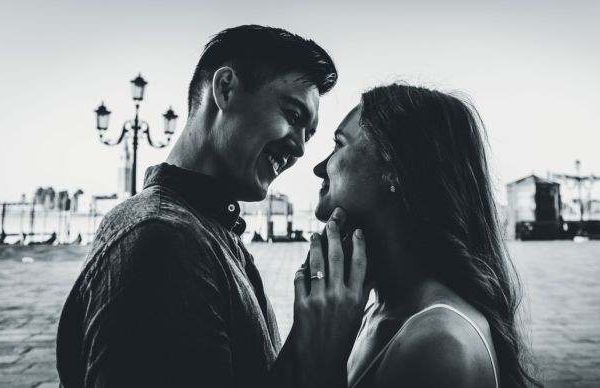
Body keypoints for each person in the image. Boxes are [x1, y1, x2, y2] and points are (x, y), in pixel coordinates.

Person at [56, 25, 369, 388]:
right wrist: (322, 361)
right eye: (292, 115)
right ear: (225, 89)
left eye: (308, 135)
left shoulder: (204, 232)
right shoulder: (164, 242)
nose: (300, 149)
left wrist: (309, 337)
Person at [308, 83, 543, 387]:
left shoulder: (439, 343)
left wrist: (321, 356)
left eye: (339, 145)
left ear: (393, 167)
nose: (318, 167)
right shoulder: (375, 312)